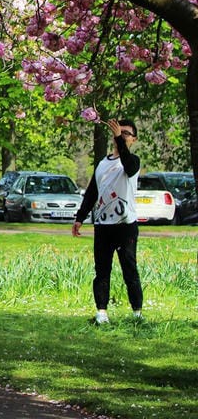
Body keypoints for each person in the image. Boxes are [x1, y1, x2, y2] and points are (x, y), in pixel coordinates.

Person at [73, 118, 144, 324]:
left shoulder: (133, 162)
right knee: (102, 270)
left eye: (125, 134)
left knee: (129, 268)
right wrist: (80, 218)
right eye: (118, 133)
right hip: (103, 226)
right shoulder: (103, 164)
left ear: (133, 139)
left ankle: (137, 313)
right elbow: (92, 193)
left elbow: (128, 167)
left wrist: (118, 139)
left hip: (125, 225)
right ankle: (101, 313)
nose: (120, 137)